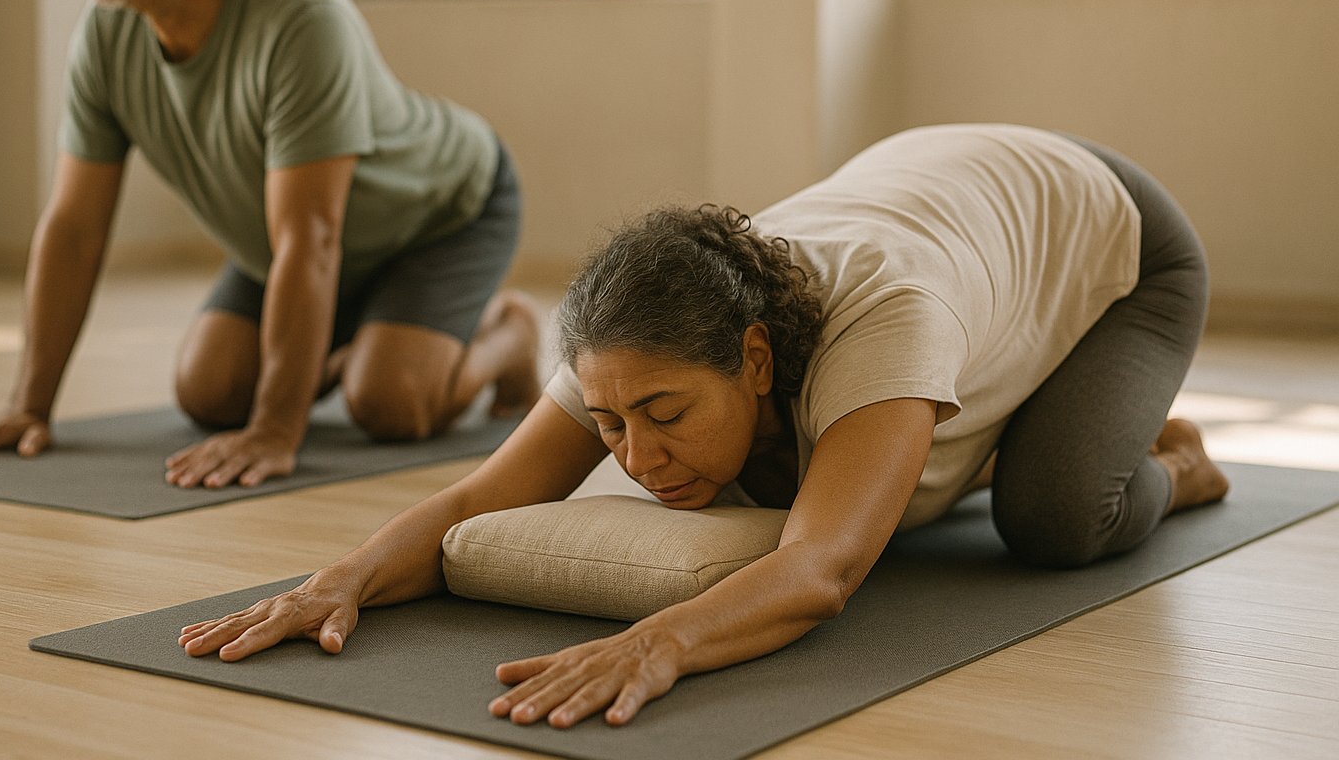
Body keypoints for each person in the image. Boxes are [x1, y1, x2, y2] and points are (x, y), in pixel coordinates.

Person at [176, 123, 1229, 727]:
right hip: (956, 207)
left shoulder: (887, 315)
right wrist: (341, 579)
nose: (632, 459)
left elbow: (822, 572)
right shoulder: (630, 339)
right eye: (609, 424)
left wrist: (658, 641)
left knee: (1052, 515)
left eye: (665, 415)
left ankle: (1170, 456)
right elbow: (479, 496)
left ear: (757, 357)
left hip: (1116, 239)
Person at [0, 0, 539, 488]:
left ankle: (506, 336)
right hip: (289, 242)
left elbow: (313, 237)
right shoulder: (106, 36)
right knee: (209, 393)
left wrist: (277, 430)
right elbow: (73, 229)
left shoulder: (300, 19)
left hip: (440, 215)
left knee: (389, 403)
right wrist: (28, 406)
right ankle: (351, 344)